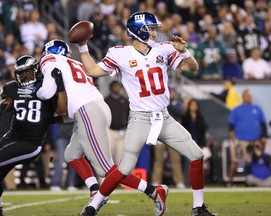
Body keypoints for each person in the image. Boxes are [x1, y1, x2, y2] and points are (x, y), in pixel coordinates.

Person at [76, 11, 214, 216]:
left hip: (164, 117)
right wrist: (82, 46)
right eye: (151, 29)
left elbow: (192, 68)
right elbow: (93, 71)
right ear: (139, 31)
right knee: (124, 169)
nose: (156, 32)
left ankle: (198, 208)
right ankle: (92, 206)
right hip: (140, 118)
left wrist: (185, 52)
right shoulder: (119, 53)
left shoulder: (165, 49)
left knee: (197, 155)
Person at [36, 39, 167, 216]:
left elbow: (47, 92)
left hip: (88, 111)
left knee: (107, 169)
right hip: (96, 107)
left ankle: (153, 190)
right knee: (71, 155)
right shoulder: (75, 63)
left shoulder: (50, 60)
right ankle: (95, 189)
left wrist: (35, 92)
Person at [0, 55, 66, 216]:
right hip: (11, 137)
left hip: (30, 143)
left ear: (35, 70)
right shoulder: (12, 87)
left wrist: (59, 85)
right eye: (20, 73)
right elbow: (5, 107)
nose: (23, 76)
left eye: (27, 72)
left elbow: (63, 112)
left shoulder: (46, 87)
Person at [227, 89, 268, 187]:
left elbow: (263, 124)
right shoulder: (237, 110)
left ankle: (257, 181)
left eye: (250, 95)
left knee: (258, 160)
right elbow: (231, 126)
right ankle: (230, 182)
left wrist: (264, 137)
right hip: (241, 141)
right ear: (242, 97)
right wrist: (234, 140)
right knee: (235, 161)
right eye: (246, 95)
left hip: (255, 141)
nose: (248, 97)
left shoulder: (257, 109)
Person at [104, 80, 129, 164]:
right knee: (108, 157)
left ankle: (119, 177)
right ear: (111, 88)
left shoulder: (124, 100)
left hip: (122, 132)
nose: (117, 88)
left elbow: (129, 115)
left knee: (120, 158)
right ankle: (106, 177)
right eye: (115, 86)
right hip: (110, 131)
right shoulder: (106, 101)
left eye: (118, 86)